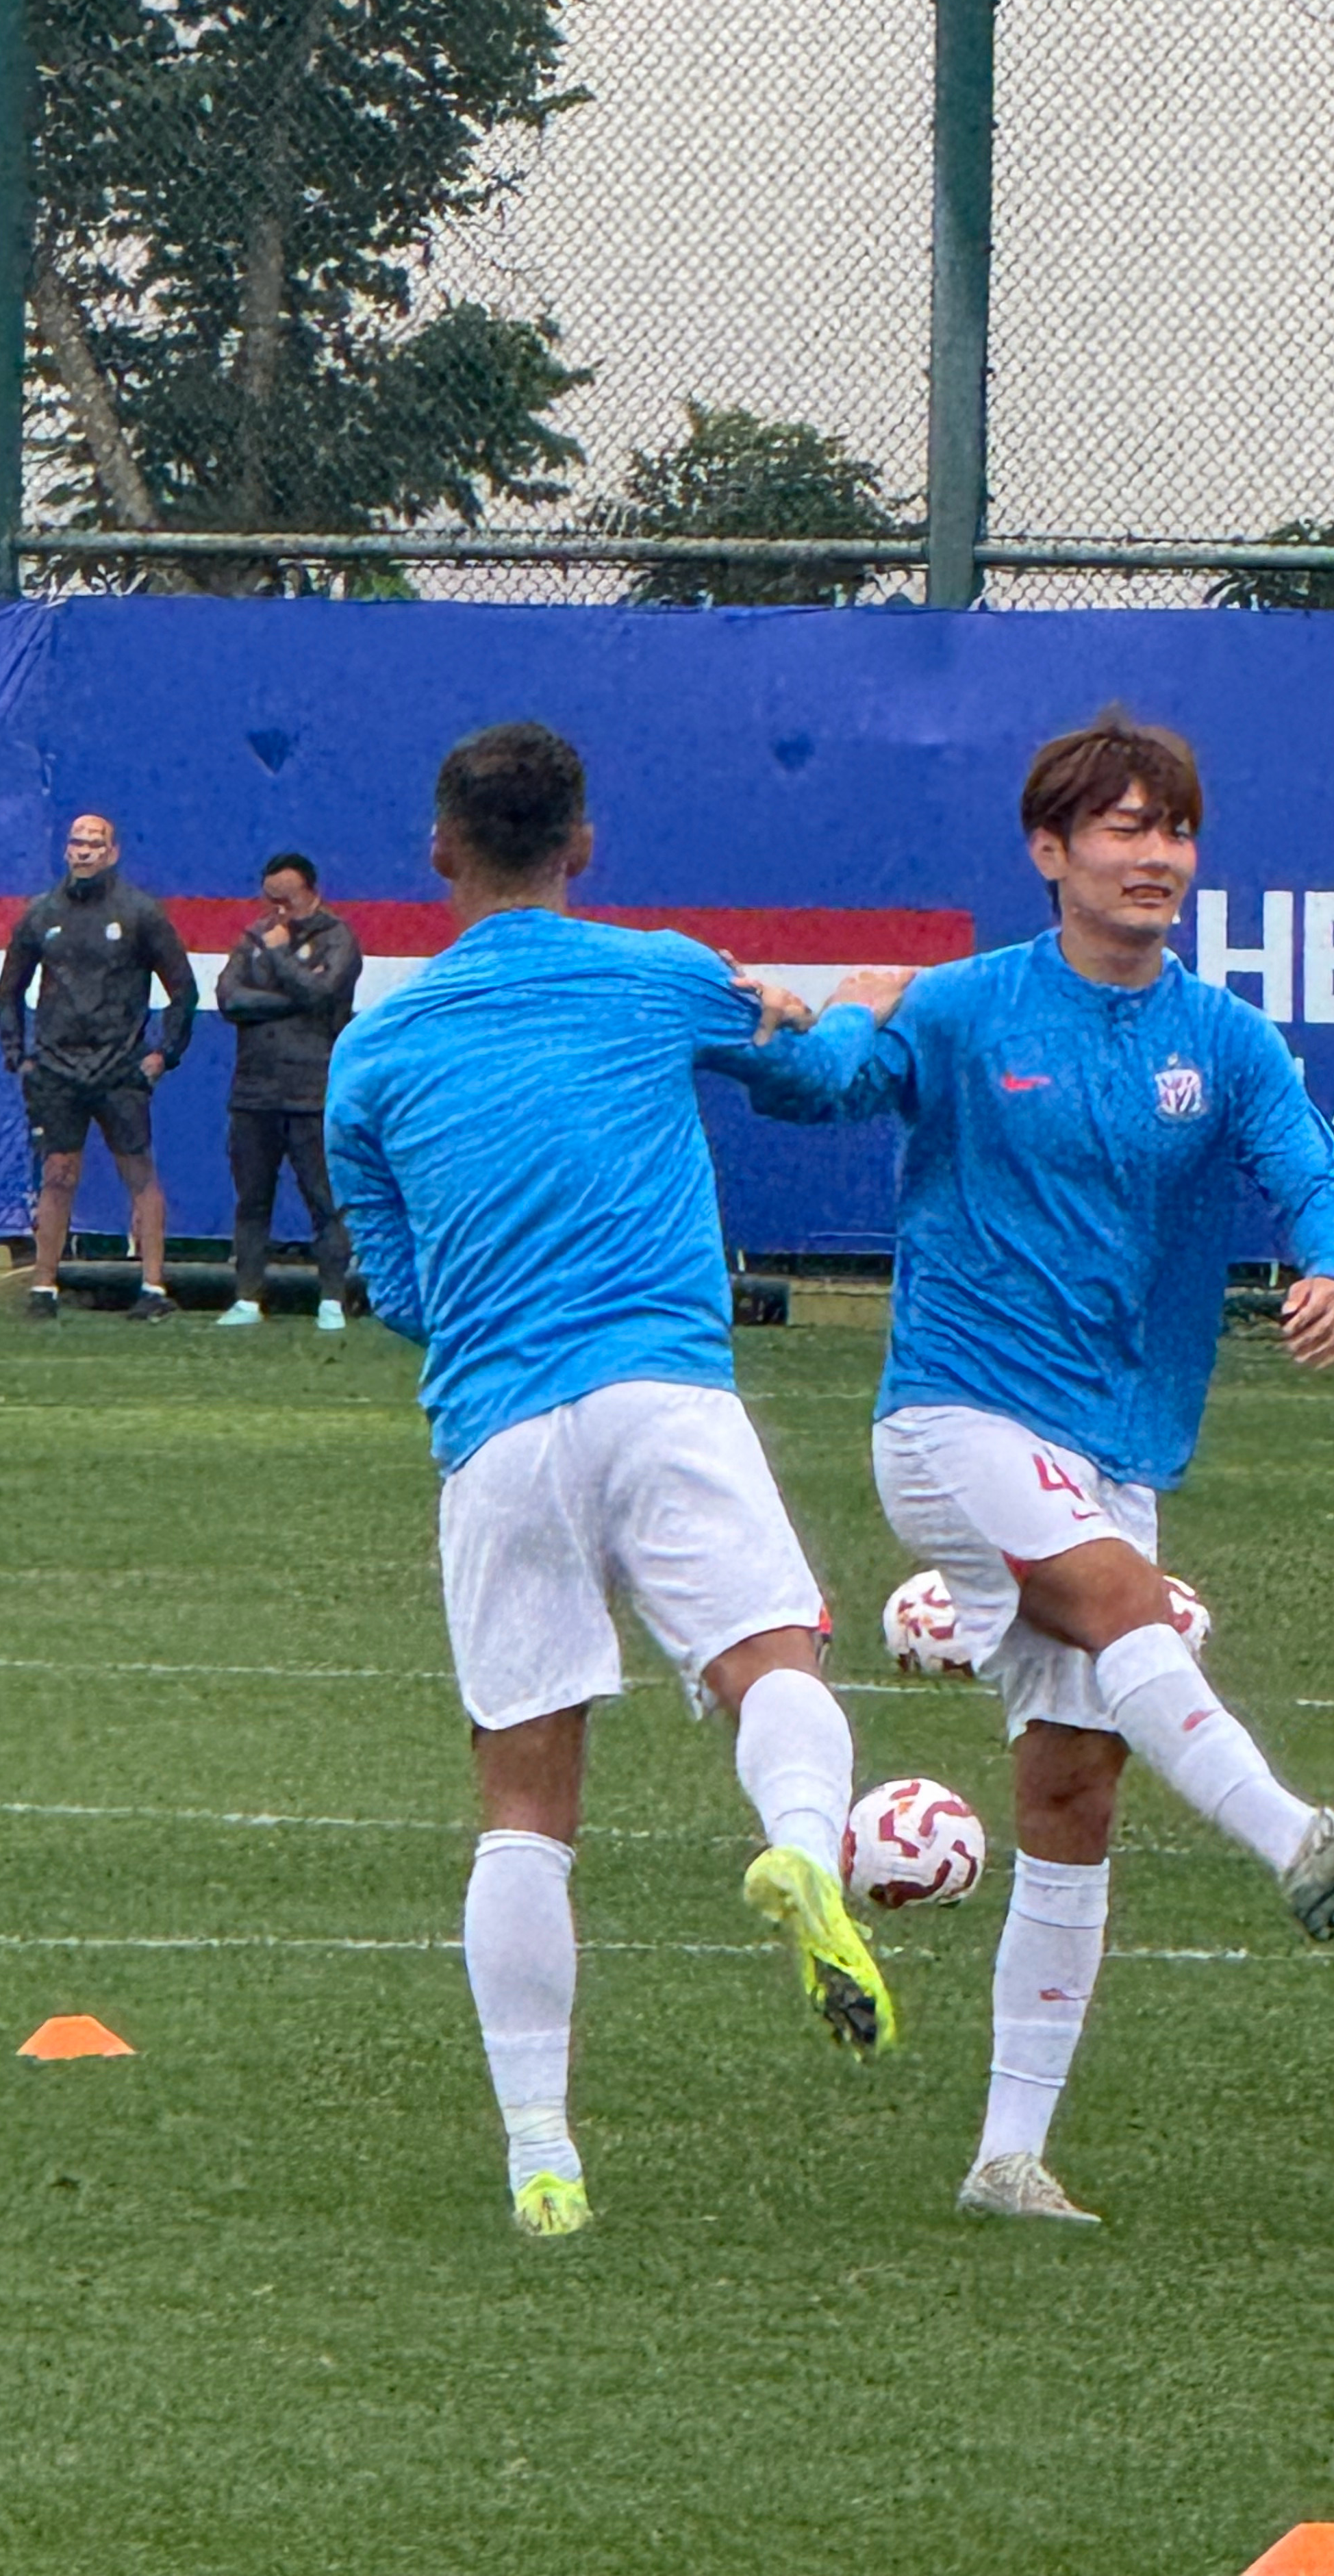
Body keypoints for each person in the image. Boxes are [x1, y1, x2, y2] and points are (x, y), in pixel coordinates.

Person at [735, 708, 1334, 2227]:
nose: (1155, 855)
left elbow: (1307, 1167)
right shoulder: (966, 1007)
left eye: (1173, 828)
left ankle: (1007, 2157)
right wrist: (802, 1027)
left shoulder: (1222, 1036)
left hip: (1116, 1444)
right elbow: (828, 1088)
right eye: (1122, 828)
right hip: (956, 1417)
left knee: (1072, 1790)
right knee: (1129, 1605)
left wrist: (1332, 1263)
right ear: (1048, 851)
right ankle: (1296, 1840)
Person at [323, 722, 895, 2241]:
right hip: (662, 1391)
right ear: (583, 846)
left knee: (525, 1803)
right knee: (774, 1659)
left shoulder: (373, 1050)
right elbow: (821, 1084)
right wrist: (854, 1004)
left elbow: (400, 1290)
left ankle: (543, 2160)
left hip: (499, 1430)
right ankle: (799, 1847)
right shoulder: (662, 974)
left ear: (439, 852)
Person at [0, 812, 199, 1323]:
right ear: (66, 850)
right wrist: (17, 1054)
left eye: (95, 844)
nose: (84, 852)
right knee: (58, 1173)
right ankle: (44, 1286)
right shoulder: (41, 913)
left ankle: (153, 1286)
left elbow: (183, 988)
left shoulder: (140, 912)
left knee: (138, 1171)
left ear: (113, 853)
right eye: (76, 843)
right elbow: (10, 990)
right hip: (58, 1067)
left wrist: (164, 1054)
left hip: (120, 1066)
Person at [214, 853, 363, 1331]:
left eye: (288, 900)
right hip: (254, 1092)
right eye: (270, 900)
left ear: (312, 894)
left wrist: (280, 958)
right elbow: (229, 998)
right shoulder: (253, 937)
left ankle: (333, 1299)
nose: (278, 911)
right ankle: (247, 1297)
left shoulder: (337, 938)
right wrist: (289, 1002)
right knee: (252, 1199)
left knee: (324, 1198)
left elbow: (324, 994)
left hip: (311, 1091)